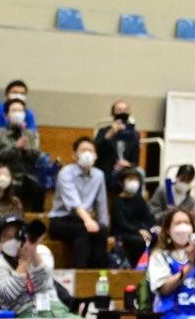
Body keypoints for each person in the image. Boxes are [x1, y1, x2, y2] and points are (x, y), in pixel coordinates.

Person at [50, 135, 110, 268]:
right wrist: (88, 220)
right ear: (74, 154)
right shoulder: (66, 172)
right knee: (82, 230)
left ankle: (97, 273)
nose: (87, 153)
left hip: (83, 219)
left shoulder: (99, 175)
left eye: (91, 150)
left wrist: (104, 226)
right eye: (83, 150)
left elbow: (101, 205)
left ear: (96, 155)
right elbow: (74, 203)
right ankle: (80, 271)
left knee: (101, 231)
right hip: (61, 220)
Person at [111, 168, 154, 266]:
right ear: (122, 183)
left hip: (141, 231)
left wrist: (152, 228)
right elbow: (121, 223)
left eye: (135, 179)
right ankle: (136, 267)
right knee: (138, 242)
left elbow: (148, 217)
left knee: (156, 237)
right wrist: (138, 231)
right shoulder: (118, 201)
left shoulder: (139, 199)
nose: (133, 183)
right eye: (130, 179)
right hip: (124, 232)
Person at [94, 100, 142, 174]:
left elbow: (135, 161)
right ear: (112, 113)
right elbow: (96, 149)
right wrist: (110, 133)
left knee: (140, 172)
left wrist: (128, 164)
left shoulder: (134, 134)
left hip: (126, 170)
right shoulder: (103, 131)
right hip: (107, 169)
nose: (122, 112)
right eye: (119, 110)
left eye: (125, 110)